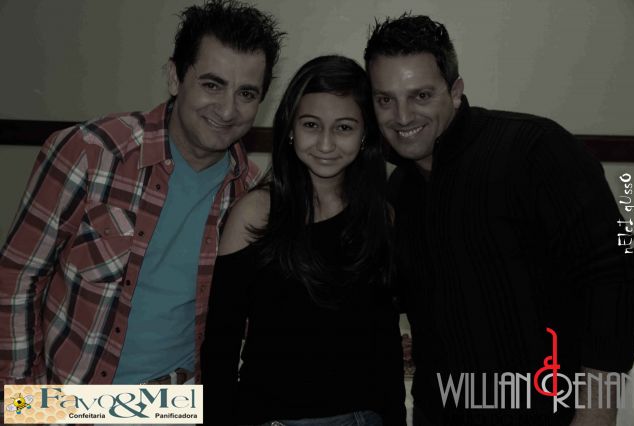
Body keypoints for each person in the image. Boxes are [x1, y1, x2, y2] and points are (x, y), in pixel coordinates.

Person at [364, 13, 634, 426]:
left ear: (455, 92)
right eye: (385, 99)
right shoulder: (397, 190)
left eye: (420, 95)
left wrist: (596, 411)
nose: (402, 116)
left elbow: (617, 269)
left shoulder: (536, 149)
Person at [0, 0, 284, 387]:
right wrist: (17, 400)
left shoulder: (252, 195)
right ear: (174, 77)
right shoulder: (90, 152)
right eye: (212, 85)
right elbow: (17, 279)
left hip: (178, 402)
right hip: (68, 397)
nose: (227, 109)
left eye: (247, 94)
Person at [201, 55, 406, 425]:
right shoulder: (256, 214)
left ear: (365, 134)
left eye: (344, 127)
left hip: (363, 416)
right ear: (291, 128)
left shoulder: (381, 216)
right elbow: (220, 346)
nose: (325, 143)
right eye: (311, 124)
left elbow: (386, 343)